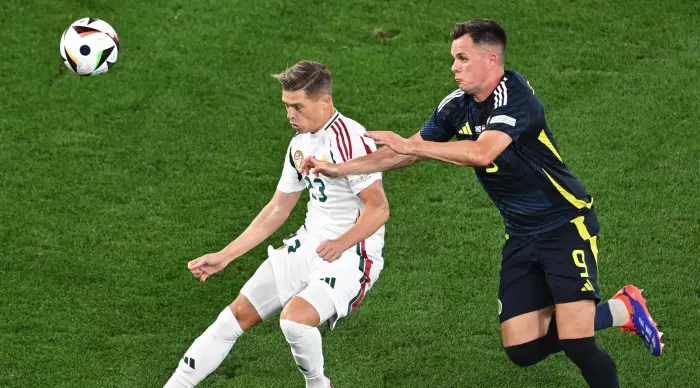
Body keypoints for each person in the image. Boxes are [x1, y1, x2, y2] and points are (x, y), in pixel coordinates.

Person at [301, 19, 662, 388]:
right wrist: (339, 169)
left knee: (577, 342)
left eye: (462, 58)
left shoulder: (516, 95)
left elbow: (482, 151)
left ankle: (609, 318)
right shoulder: (457, 106)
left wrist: (411, 145)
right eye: (453, 58)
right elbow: (401, 154)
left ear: (491, 59)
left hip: (565, 225)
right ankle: (622, 309)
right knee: (522, 350)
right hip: (521, 235)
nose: (454, 67)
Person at [164, 60, 389, 388]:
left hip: (351, 256)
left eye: (298, 106)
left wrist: (341, 243)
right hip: (309, 243)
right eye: (286, 106)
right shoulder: (300, 143)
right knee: (232, 318)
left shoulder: (348, 139)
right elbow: (277, 210)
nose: (290, 115)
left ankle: (318, 385)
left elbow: (379, 209)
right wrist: (226, 255)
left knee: (295, 323)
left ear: (324, 101)